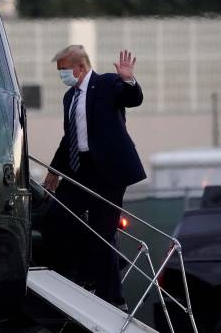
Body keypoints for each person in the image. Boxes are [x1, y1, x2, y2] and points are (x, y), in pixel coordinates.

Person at [42, 44, 146, 310]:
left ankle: (113, 299)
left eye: (63, 70)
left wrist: (129, 80)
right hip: (80, 170)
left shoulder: (107, 83)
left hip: (108, 171)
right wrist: (54, 170)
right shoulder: (69, 97)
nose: (61, 75)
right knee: (55, 217)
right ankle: (84, 273)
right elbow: (69, 138)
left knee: (103, 233)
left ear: (79, 67)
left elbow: (132, 98)